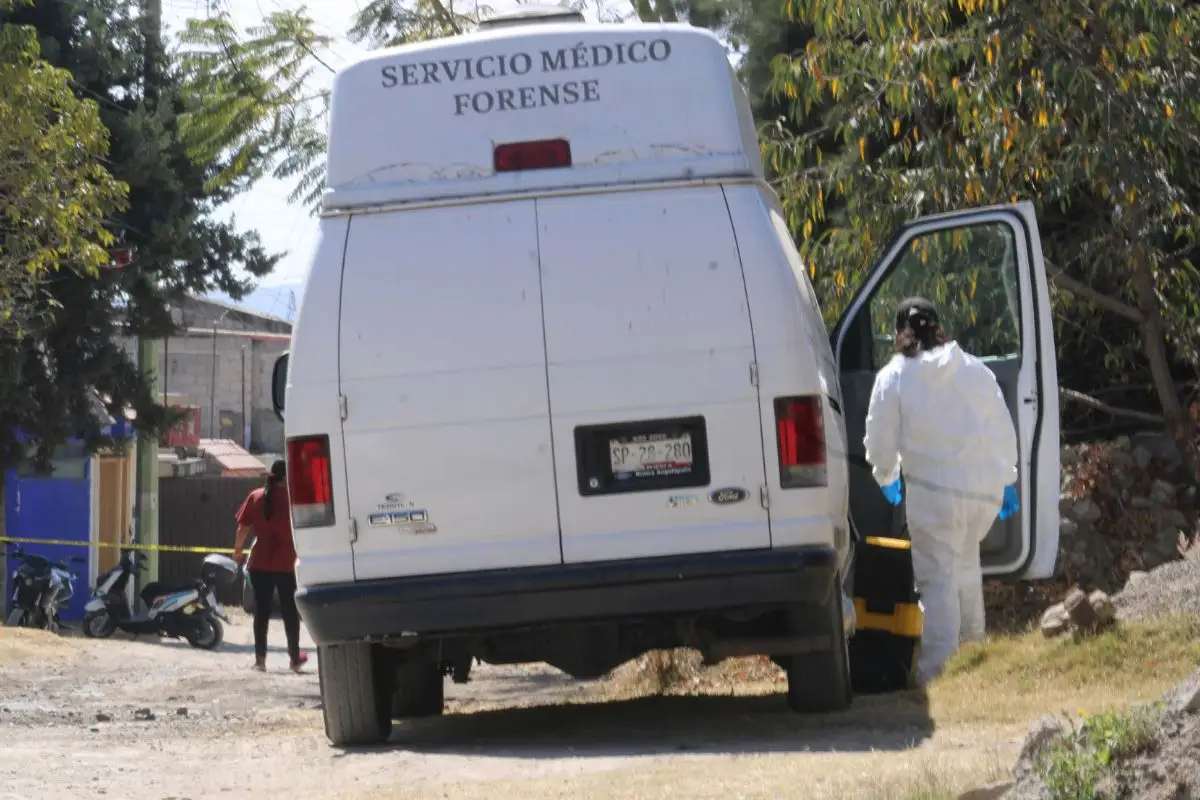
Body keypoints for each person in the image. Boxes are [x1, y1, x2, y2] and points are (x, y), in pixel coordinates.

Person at [863, 297, 1020, 686]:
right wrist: (1007, 478)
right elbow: (1000, 424)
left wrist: (887, 477)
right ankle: (975, 652)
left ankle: (939, 673)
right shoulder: (973, 369)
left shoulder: (894, 378)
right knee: (966, 565)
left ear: (901, 335)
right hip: (979, 495)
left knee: (936, 582)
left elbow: (880, 441)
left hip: (933, 499)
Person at [233, 459, 308, 672]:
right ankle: (294, 660)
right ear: (287, 476)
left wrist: (237, 550)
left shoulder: (256, 497)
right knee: (290, 612)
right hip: (287, 563)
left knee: (262, 611)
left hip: (260, 563)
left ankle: (260, 661)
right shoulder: (295, 499)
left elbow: (243, 528)